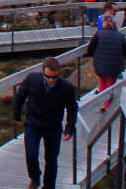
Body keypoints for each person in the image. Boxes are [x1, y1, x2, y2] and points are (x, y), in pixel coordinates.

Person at [14, 57, 78, 189]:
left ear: (59, 73)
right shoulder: (32, 79)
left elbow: (72, 108)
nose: (51, 80)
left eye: (54, 77)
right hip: (33, 124)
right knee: (31, 155)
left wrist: (69, 128)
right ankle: (35, 178)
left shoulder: (67, 87)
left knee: (51, 161)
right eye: (48, 77)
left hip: (53, 127)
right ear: (43, 72)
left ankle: (49, 186)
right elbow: (20, 95)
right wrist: (17, 115)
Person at [87, 15, 126, 112]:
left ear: (104, 23)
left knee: (102, 80)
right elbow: (125, 51)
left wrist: (94, 56)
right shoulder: (120, 36)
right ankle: (105, 103)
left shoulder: (98, 34)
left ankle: (102, 100)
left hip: (100, 65)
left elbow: (90, 49)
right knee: (110, 82)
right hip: (114, 66)